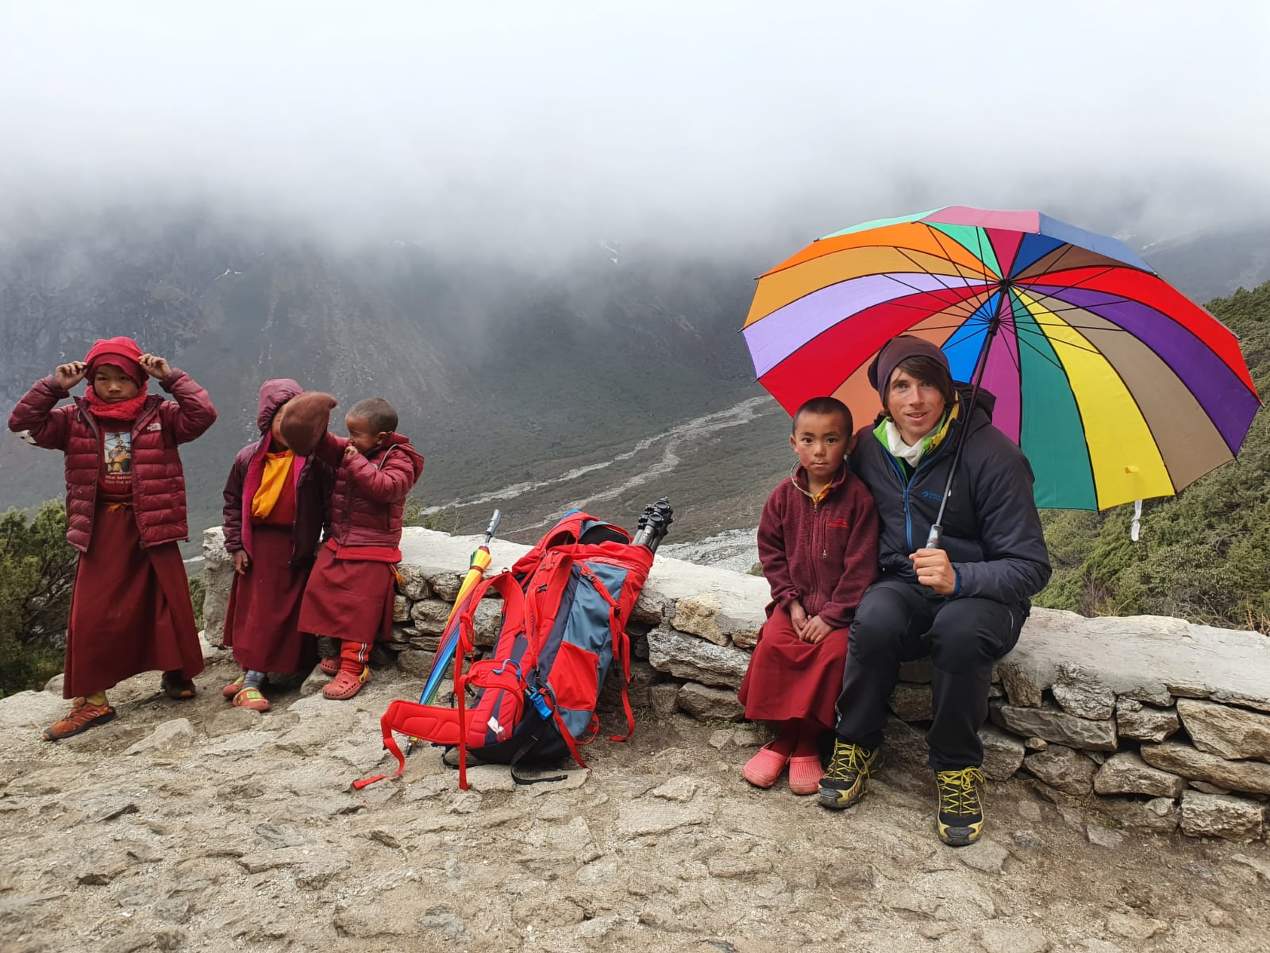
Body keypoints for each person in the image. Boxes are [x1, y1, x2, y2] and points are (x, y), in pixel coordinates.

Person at [818, 335, 1051, 846]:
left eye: (928, 385)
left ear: (947, 390)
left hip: (985, 597)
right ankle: (857, 741)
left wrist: (960, 577)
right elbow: (833, 507)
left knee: (959, 632)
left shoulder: (995, 457)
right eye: (901, 386)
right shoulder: (869, 449)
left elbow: (1031, 566)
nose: (916, 400)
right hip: (904, 581)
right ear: (884, 395)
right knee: (875, 619)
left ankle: (956, 767)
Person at [7, 337, 217, 740]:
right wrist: (53, 387)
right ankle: (93, 701)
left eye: (124, 378)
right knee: (92, 614)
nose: (114, 387)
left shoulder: (162, 415)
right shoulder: (74, 419)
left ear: (140, 379)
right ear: (90, 381)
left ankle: (176, 672)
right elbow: (22, 424)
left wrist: (171, 378)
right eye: (103, 378)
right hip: (102, 527)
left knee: (164, 601)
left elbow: (203, 414)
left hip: (152, 522)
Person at [737, 396, 879, 795]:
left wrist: (832, 615)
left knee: (833, 655)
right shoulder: (783, 497)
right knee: (775, 644)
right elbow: (771, 553)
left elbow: (862, 566)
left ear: (849, 444)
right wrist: (791, 602)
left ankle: (806, 743)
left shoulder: (859, 500)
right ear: (793, 443)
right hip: (794, 605)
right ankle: (782, 737)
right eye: (809, 440)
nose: (820, 450)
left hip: (839, 613)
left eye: (831, 440)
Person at [296, 397, 424, 700]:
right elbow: (326, 446)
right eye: (348, 433)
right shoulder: (357, 448)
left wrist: (355, 462)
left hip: (375, 543)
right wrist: (313, 419)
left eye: (356, 434)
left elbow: (387, 488)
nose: (350, 440)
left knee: (359, 604)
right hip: (343, 539)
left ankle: (354, 667)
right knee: (321, 587)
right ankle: (337, 652)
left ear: (381, 437)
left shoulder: (401, 458)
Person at [220, 379, 333, 712]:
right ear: (267, 420)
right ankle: (251, 679)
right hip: (258, 547)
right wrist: (236, 545)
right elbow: (232, 502)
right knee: (257, 614)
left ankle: (258, 674)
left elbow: (331, 504)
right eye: (282, 418)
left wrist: (328, 542)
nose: (288, 426)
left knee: (281, 614)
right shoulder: (248, 458)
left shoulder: (314, 461)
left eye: (296, 417)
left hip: (296, 547)